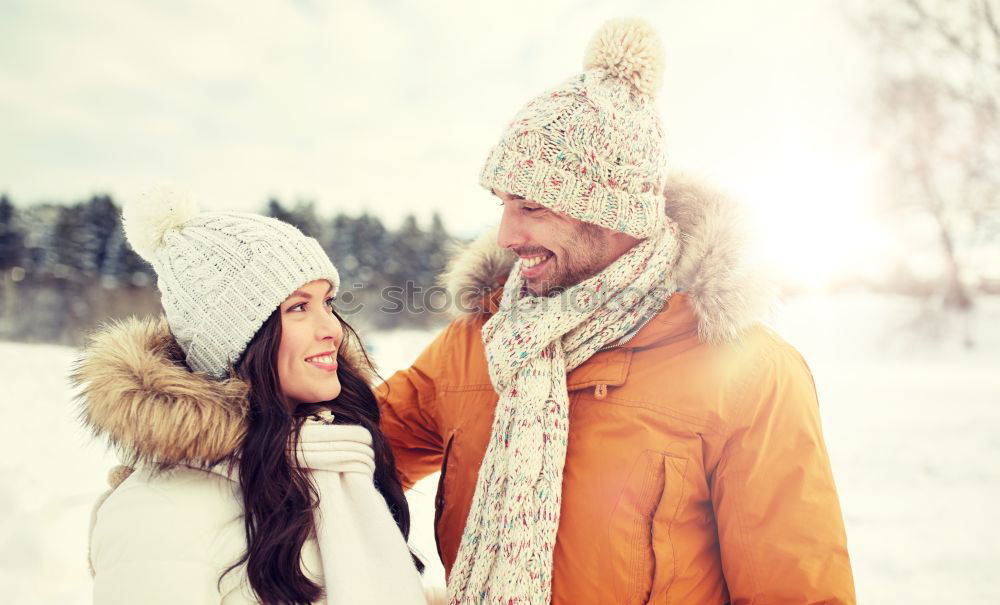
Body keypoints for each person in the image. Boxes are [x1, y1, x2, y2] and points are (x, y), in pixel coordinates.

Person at [376, 18, 856, 605]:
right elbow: (342, 455)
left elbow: (796, 591)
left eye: (531, 207)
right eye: (502, 205)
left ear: (614, 214)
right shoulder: (476, 344)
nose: (505, 233)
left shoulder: (750, 374)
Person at [73, 186, 437, 604]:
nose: (332, 328)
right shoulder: (158, 511)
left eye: (327, 302)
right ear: (238, 341)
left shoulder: (335, 460)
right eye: (298, 307)